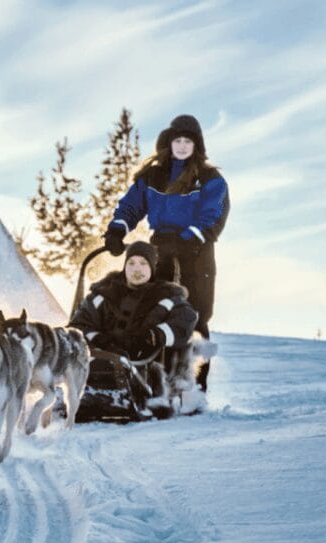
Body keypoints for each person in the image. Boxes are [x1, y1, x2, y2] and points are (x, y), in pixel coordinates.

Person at [102, 114, 229, 391]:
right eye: (177, 140)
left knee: (194, 313)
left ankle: (193, 386)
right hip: (159, 250)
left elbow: (213, 215)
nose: (182, 146)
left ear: (197, 145)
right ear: (168, 144)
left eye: (188, 141)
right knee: (150, 310)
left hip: (197, 253)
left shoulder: (209, 178)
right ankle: (150, 381)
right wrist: (117, 231)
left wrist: (187, 239)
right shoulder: (153, 176)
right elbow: (132, 206)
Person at [70, 241, 197, 362]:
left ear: (152, 268)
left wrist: (152, 336)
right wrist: (101, 341)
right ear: (124, 267)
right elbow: (79, 325)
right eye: (131, 263)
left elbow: (185, 320)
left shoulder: (166, 296)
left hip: (142, 366)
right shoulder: (103, 294)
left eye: (143, 263)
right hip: (95, 359)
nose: (137, 269)